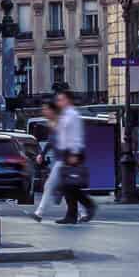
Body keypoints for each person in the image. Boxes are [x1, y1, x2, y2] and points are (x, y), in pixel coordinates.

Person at [50, 90, 96, 224]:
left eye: (61, 99)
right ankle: (72, 215)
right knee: (68, 185)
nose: (58, 102)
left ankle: (88, 205)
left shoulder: (73, 115)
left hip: (73, 152)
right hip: (65, 152)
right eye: (58, 100)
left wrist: (74, 153)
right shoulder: (64, 115)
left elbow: (76, 135)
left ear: (68, 100)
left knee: (70, 185)